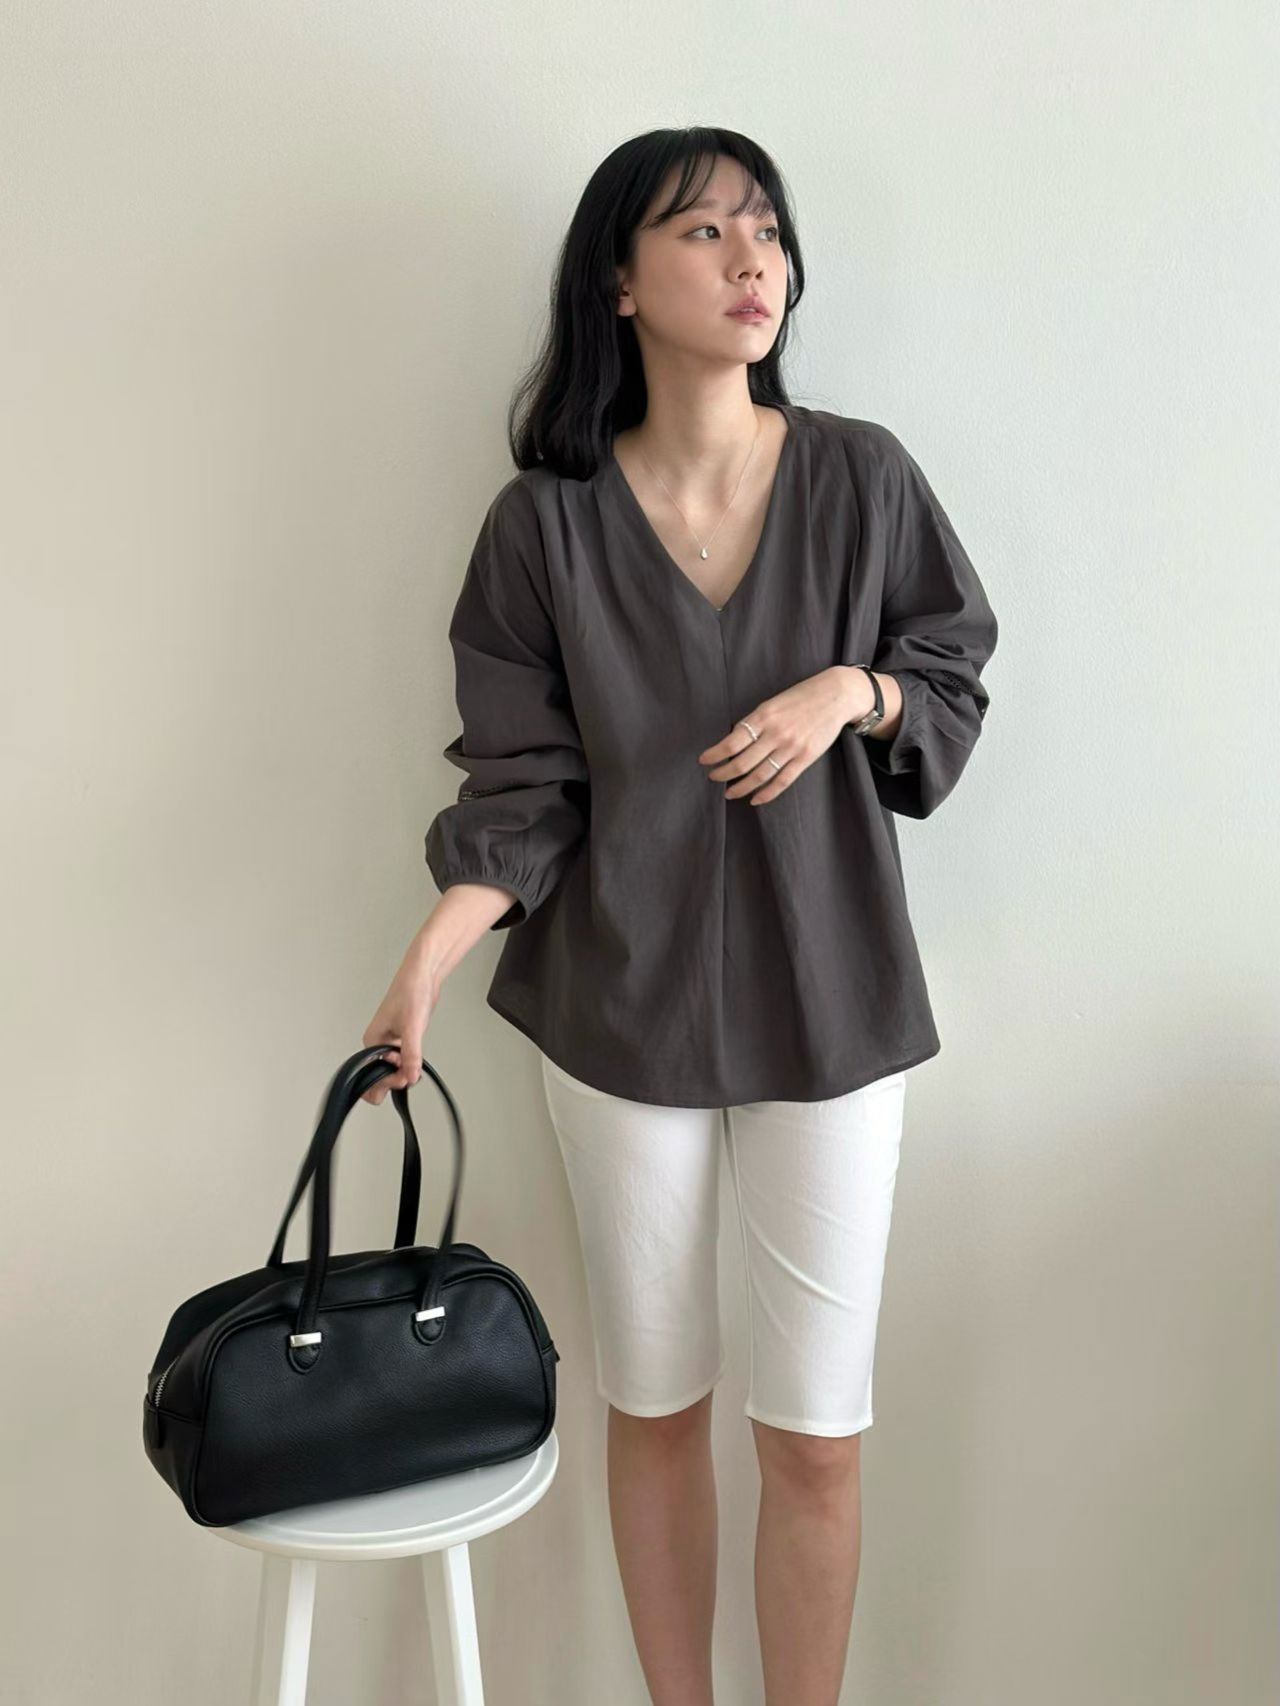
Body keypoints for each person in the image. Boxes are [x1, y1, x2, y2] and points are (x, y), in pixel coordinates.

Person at [362, 126, 998, 1706]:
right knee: (654, 1404)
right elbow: (521, 788)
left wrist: (853, 689)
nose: (751, 258)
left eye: (765, 228)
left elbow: (949, 666)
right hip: (617, 1008)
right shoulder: (545, 528)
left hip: (831, 1002)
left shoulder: (861, 478)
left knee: (816, 1432)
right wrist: (425, 965)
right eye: (704, 231)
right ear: (621, 283)